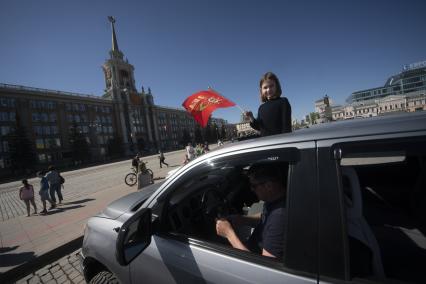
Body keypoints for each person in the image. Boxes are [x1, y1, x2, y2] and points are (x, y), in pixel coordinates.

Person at [215, 163, 287, 259]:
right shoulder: (275, 200)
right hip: (252, 247)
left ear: (269, 186)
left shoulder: (279, 217)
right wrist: (243, 219)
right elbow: (265, 218)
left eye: (254, 186)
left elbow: (264, 268)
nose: (252, 189)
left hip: (252, 258)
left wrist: (229, 234)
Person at [245, 72, 292, 136]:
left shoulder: (283, 102)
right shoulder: (261, 108)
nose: (268, 89)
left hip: (280, 143)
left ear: (277, 86)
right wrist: (251, 117)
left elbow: (286, 127)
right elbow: (259, 127)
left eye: (271, 86)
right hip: (266, 144)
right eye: (265, 87)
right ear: (261, 90)